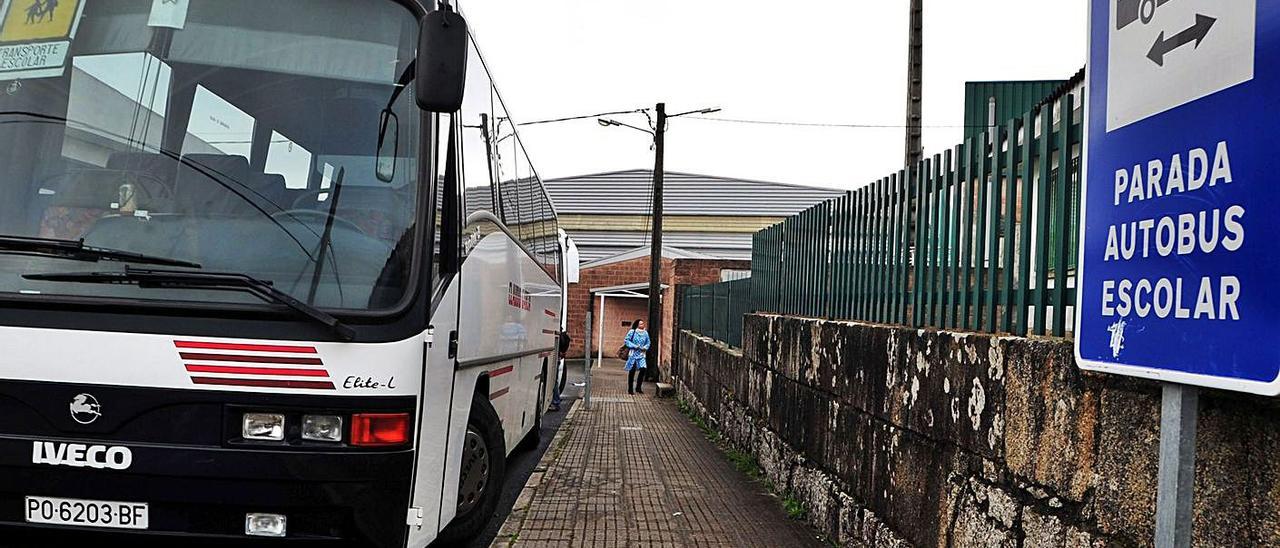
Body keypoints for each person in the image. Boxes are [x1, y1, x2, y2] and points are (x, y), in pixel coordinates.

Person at [623, 319, 650, 394]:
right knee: (632, 371)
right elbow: (626, 340)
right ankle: (630, 389)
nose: (642, 325)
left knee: (643, 369)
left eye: (643, 323)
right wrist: (634, 346)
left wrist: (645, 347)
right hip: (633, 354)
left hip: (641, 354)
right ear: (637, 325)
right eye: (641, 324)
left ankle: (638, 387)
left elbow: (648, 342)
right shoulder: (632, 332)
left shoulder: (645, 333)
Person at [550, 330, 570, 411]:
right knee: (555, 381)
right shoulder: (562, 334)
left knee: (554, 382)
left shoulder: (560, 335)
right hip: (557, 358)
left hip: (556, 359)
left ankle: (555, 402)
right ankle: (555, 401)